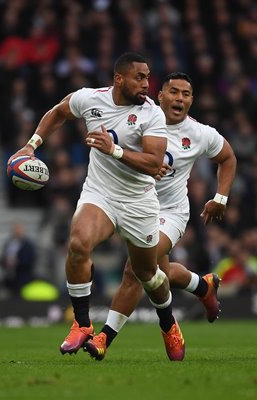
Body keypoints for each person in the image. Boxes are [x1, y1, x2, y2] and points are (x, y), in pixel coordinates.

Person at [7, 53, 185, 361]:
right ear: (119, 79)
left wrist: (113, 149)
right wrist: (31, 145)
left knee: (148, 275)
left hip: (138, 201)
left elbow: (153, 162)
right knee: (78, 244)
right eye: (139, 77)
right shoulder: (90, 99)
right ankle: (82, 323)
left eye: (147, 77)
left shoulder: (152, 115)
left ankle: (168, 323)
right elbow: (58, 112)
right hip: (100, 194)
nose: (146, 84)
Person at [83, 72, 237, 361]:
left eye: (186, 94)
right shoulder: (137, 119)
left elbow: (228, 158)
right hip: (135, 206)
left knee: (137, 269)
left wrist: (220, 197)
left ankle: (105, 337)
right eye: (174, 92)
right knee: (159, 274)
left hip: (170, 213)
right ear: (160, 96)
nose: (180, 98)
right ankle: (203, 286)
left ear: (191, 100)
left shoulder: (200, 133)